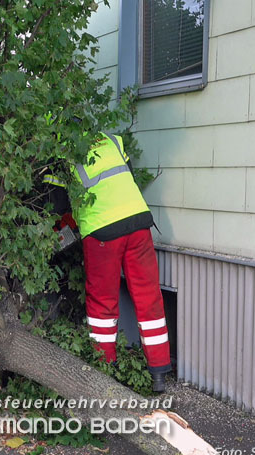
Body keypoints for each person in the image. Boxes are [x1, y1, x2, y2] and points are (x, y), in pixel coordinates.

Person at [44, 131, 172, 392]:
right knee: (149, 298)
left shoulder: (59, 152)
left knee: (103, 304)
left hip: (102, 230)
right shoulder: (110, 139)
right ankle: (159, 373)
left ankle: (104, 372)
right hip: (138, 222)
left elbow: (55, 205)